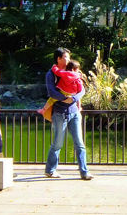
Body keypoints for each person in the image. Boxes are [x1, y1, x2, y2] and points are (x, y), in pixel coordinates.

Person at [44, 48, 93, 180]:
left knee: (80, 143)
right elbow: (51, 92)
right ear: (58, 59)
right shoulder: (51, 74)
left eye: (69, 57)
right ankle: (50, 170)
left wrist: (75, 99)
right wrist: (65, 99)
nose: (68, 59)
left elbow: (82, 89)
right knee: (57, 143)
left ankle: (84, 172)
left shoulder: (73, 71)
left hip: (74, 113)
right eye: (66, 57)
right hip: (59, 113)